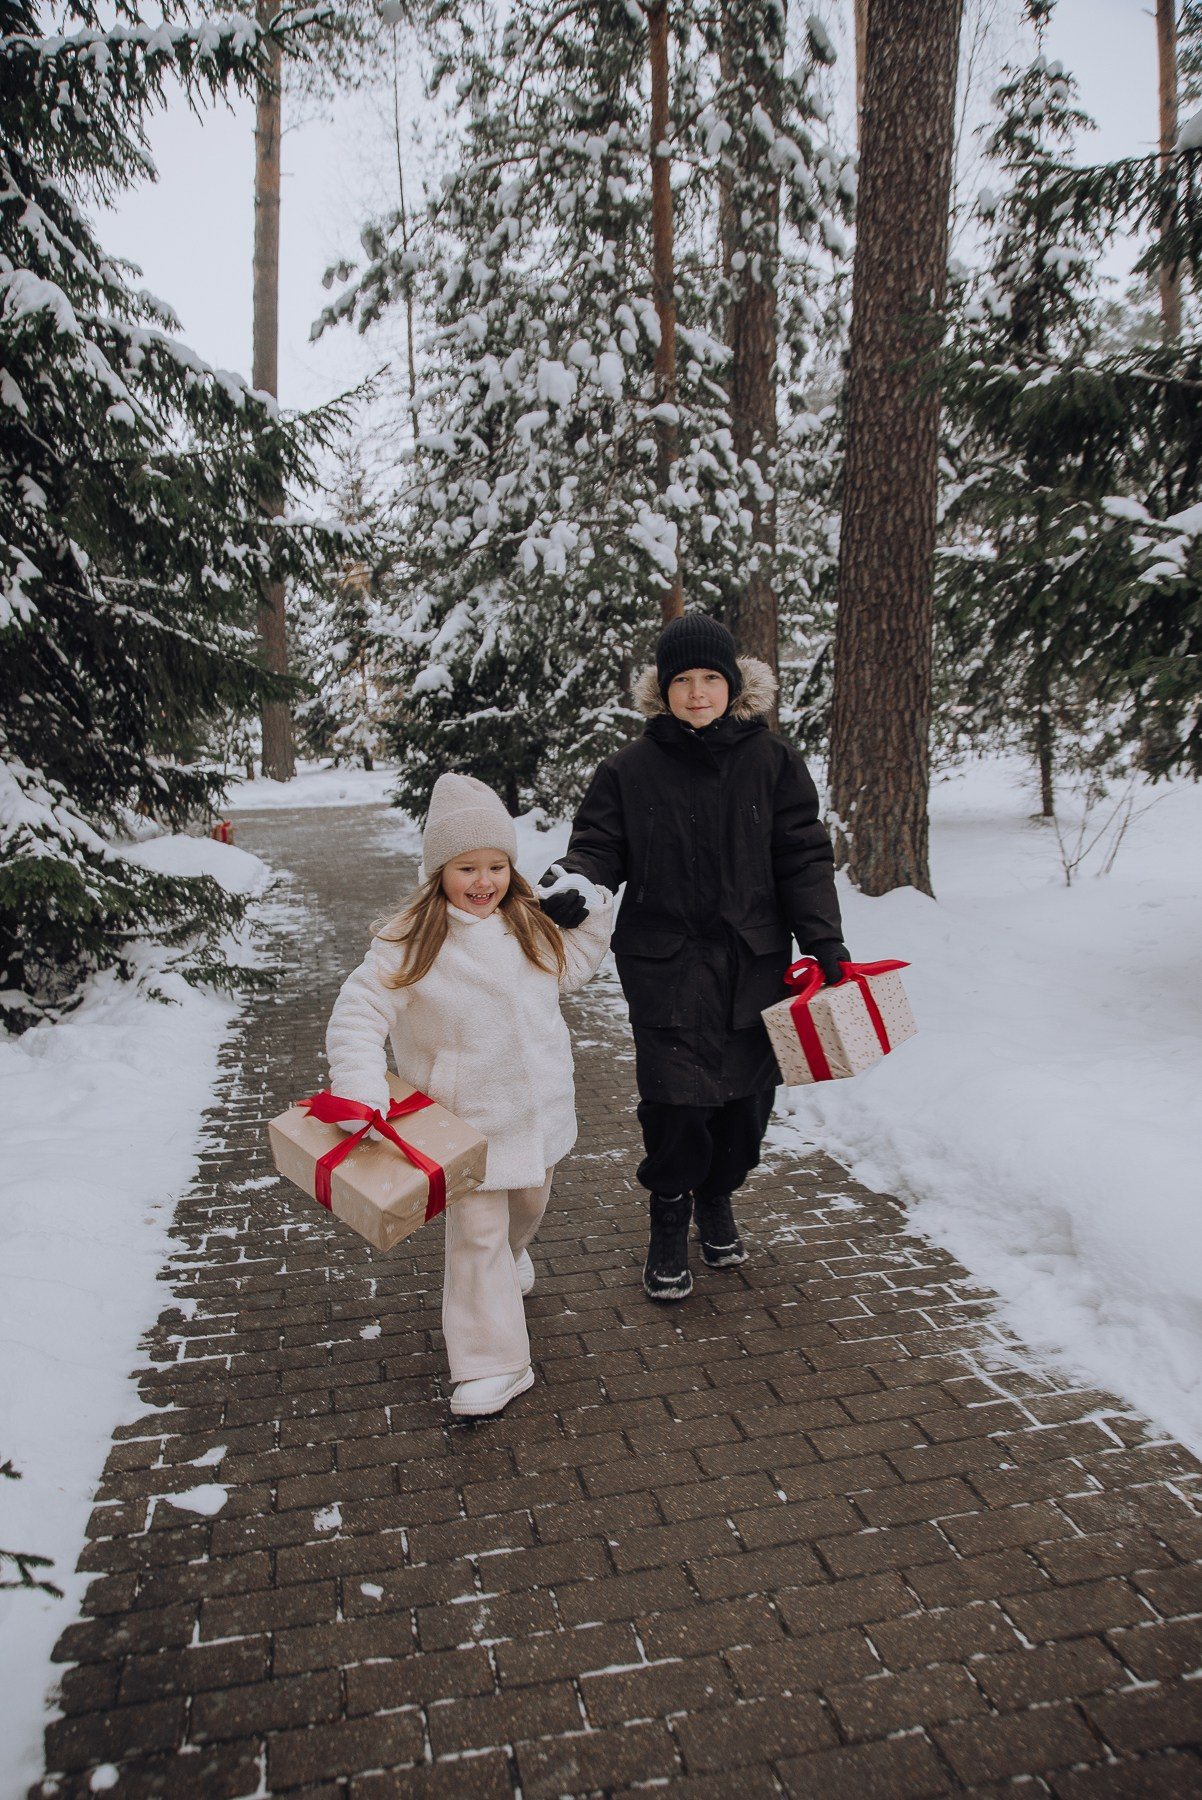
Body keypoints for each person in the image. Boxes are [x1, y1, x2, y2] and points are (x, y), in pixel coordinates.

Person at [539, 613, 848, 1302]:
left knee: (745, 1111)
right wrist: (581, 879)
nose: (698, 692)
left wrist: (824, 940)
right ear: (663, 689)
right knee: (676, 1109)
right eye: (684, 680)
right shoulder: (628, 769)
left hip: (754, 963)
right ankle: (668, 1219)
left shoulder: (773, 762)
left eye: (712, 678)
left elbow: (802, 857)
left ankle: (718, 1199)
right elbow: (597, 844)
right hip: (666, 965)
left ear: (733, 685)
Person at [326, 773, 612, 1417]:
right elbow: (358, 1013)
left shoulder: (528, 925)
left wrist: (587, 911)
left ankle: (516, 1256)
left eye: (497, 866)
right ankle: (491, 1364)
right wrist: (361, 1088)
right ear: (438, 871)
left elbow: (577, 967)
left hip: (538, 1116)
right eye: (466, 868)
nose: (483, 882)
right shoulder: (411, 939)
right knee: (476, 1235)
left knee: (527, 1208)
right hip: (467, 1124)